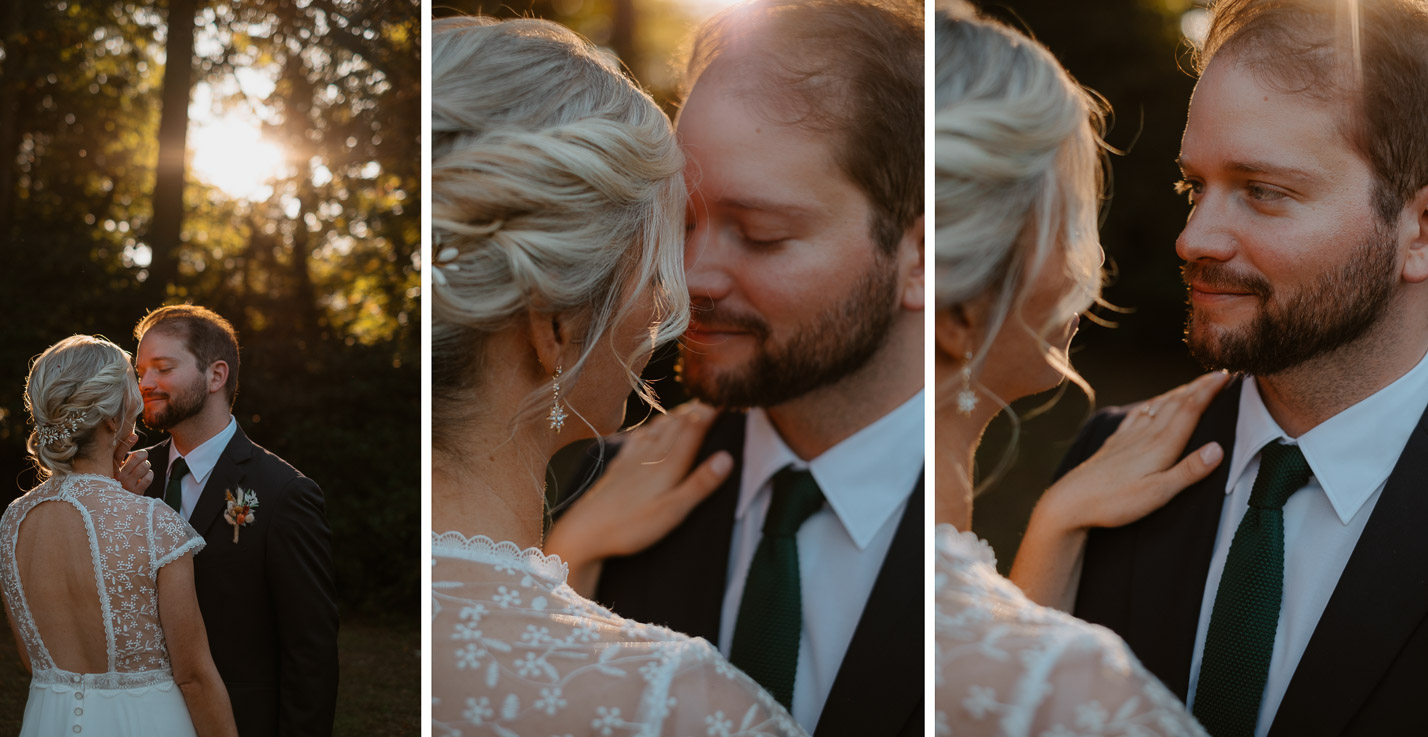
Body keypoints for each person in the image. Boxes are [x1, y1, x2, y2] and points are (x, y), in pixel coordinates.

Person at [545, 1, 925, 734]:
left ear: (918, 258)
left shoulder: (978, 529)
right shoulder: (591, 482)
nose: (688, 279)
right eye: (681, 223)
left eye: (760, 233)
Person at [1055, 1, 1428, 735]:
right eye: (1194, 187)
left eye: (1263, 191)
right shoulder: (1104, 462)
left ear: (1419, 231)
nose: (1194, 238)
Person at [429, 15, 804, 737]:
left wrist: (569, 556)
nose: (674, 300)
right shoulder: (678, 703)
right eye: (653, 263)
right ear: (556, 327)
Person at [931, 1, 1252, 734]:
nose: (1189, 240)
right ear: (964, 296)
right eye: (1069, 215)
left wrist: (1054, 527)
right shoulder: (1084, 690)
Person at [0, 335, 237, 737]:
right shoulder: (153, 525)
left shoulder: (13, 524)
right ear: (110, 420)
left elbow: (33, 659)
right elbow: (193, 677)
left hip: (48, 720)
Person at [123, 305, 338, 736]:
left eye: (162, 368)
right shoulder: (131, 478)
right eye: (141, 370)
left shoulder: (283, 494)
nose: (145, 384)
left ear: (216, 375)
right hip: (137, 716)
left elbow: (310, 653)